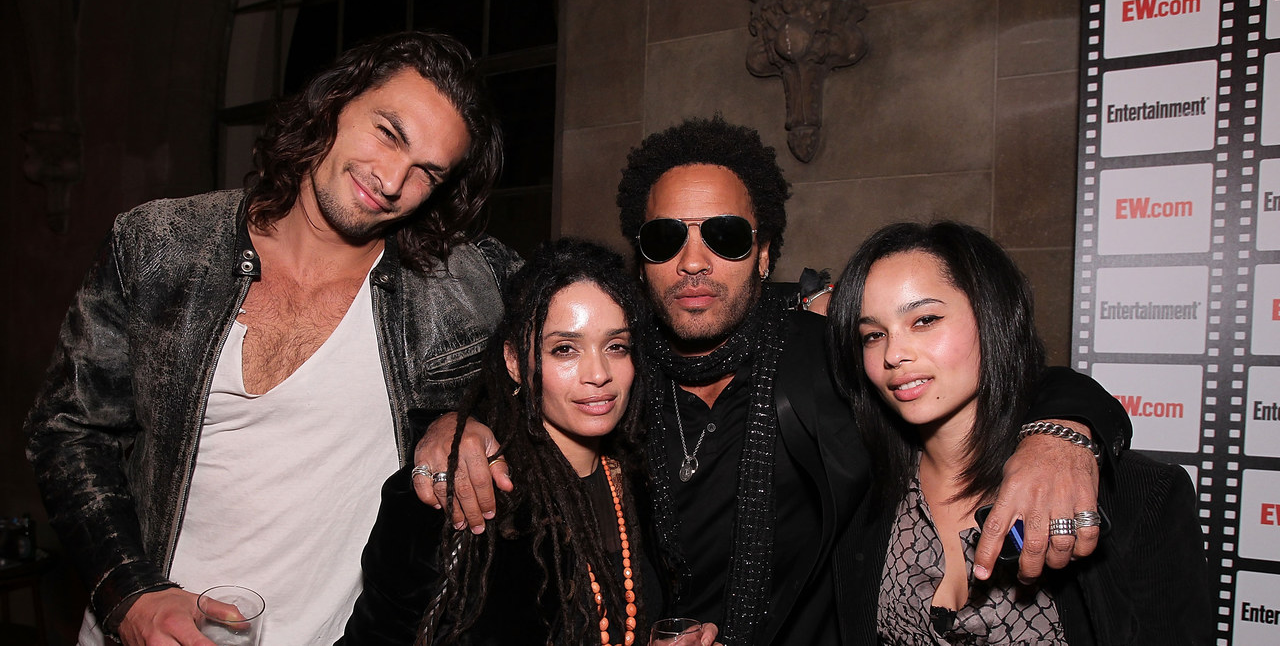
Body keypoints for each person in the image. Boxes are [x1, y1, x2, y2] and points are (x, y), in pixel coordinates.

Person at [416, 117, 1133, 645]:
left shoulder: (829, 355)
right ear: (642, 261)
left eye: (725, 236)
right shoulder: (616, 383)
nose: (694, 261)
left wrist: (1063, 434)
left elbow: (986, 373)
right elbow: (532, 381)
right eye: (667, 239)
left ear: (763, 257)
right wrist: (460, 422)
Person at [24, 31, 521, 645]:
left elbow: (575, 353)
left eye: (425, 172)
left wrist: (466, 416)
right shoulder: (160, 246)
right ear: (335, 103)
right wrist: (129, 595)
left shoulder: (457, 287)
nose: (391, 180)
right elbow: (69, 430)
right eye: (388, 133)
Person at [827, 221, 1212, 644]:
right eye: (873, 335)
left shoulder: (1140, 498)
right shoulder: (855, 493)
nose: (894, 354)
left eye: (925, 320)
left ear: (993, 317)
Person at [340, 238, 719, 646]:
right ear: (515, 362)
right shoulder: (461, 495)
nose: (598, 373)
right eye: (565, 349)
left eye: (615, 346)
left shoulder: (640, 481)